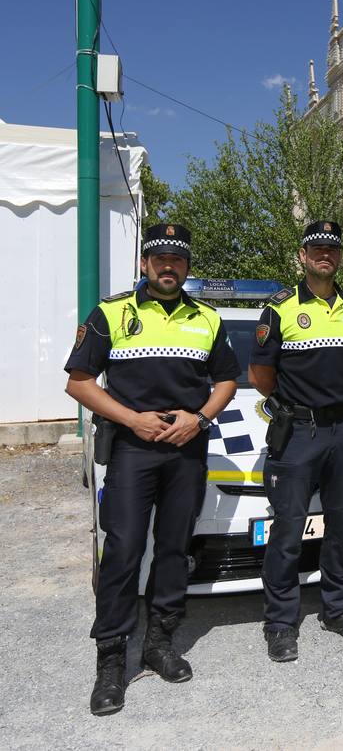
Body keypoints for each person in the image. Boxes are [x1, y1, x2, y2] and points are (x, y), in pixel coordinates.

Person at [65, 224, 240, 716]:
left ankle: (160, 644)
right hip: (132, 448)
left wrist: (200, 417)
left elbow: (226, 379)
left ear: (186, 267)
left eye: (178, 260)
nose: (169, 266)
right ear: (145, 264)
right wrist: (131, 419)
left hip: (186, 447)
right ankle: (112, 659)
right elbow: (79, 383)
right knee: (121, 550)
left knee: (173, 549)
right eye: (160, 257)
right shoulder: (112, 312)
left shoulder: (207, 317)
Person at [249, 220, 343, 662]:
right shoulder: (280, 307)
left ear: (339, 256)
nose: (325, 253)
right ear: (302, 255)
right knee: (287, 530)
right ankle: (281, 623)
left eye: (332, 248)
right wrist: (296, 405)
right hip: (298, 432)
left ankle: (338, 609)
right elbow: (260, 375)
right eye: (316, 247)